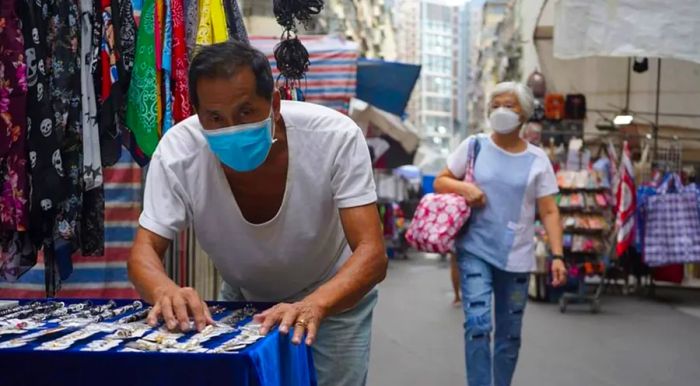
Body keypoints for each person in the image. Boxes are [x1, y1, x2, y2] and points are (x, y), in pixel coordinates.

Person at [127, 41, 388, 386]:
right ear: (197, 113)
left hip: (333, 295)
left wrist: (315, 305)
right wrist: (164, 291)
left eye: (246, 112)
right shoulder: (178, 153)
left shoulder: (335, 137)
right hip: (243, 293)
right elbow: (143, 251)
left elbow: (371, 253)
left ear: (276, 104)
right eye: (215, 118)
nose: (232, 127)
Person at [434, 81, 567, 386]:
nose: (501, 111)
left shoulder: (538, 160)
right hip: (475, 249)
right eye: (495, 106)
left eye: (509, 106)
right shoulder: (474, 146)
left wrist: (557, 255)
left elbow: (549, 211)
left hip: (517, 256)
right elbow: (441, 180)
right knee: (478, 324)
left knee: (510, 334)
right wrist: (464, 187)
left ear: (525, 114)